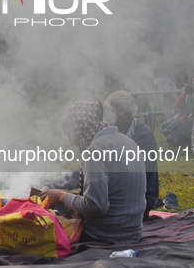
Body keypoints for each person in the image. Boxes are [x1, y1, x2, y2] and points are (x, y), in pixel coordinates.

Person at [40, 101, 146, 244]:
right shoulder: (128, 142)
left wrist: (61, 196)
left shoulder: (94, 151)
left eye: (68, 133)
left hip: (107, 236)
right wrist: (66, 196)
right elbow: (113, 194)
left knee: (42, 228)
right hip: (132, 232)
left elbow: (96, 206)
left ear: (79, 128)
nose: (70, 141)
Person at [104, 90, 159, 221]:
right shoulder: (109, 132)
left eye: (110, 110)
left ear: (125, 116)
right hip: (119, 196)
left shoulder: (143, 136)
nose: (105, 114)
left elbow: (128, 172)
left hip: (139, 200)